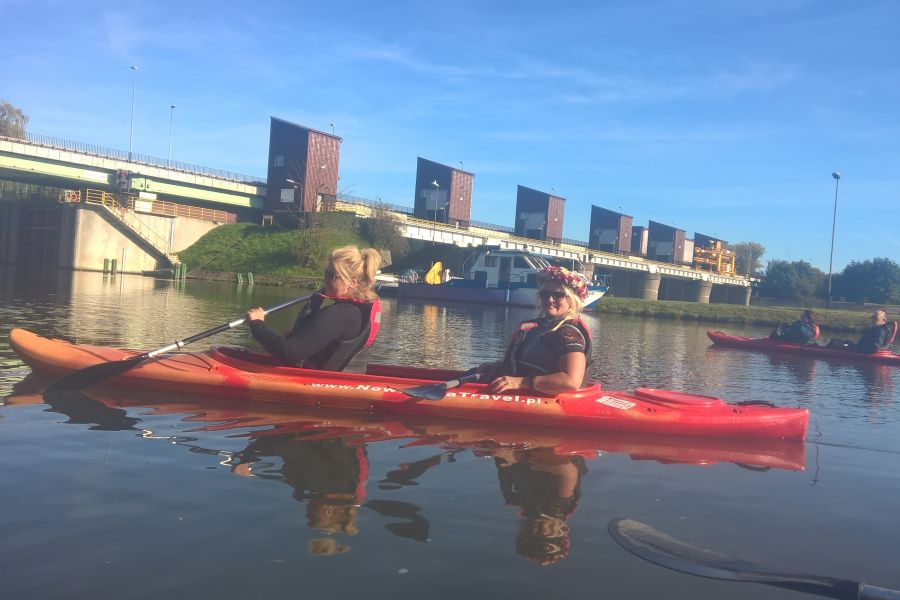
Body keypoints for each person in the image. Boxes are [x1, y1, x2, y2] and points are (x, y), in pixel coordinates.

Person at [246, 245, 382, 371]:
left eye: (332, 276)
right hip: (340, 384)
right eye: (326, 273)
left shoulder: (338, 315)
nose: (325, 279)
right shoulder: (355, 313)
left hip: (319, 388)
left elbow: (288, 353)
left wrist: (258, 324)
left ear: (352, 283)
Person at [482, 265, 592, 395]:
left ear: (572, 299)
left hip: (548, 403)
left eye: (558, 295)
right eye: (545, 294)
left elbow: (571, 381)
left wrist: (520, 382)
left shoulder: (569, 333)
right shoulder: (537, 328)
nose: (550, 299)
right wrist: (500, 368)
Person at [829, 310, 896, 354]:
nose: (873, 320)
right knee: (838, 342)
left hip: (867, 354)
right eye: (873, 318)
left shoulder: (881, 331)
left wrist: (853, 347)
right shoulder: (878, 330)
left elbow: (873, 349)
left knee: (837, 344)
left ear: (883, 319)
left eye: (876, 318)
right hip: (863, 350)